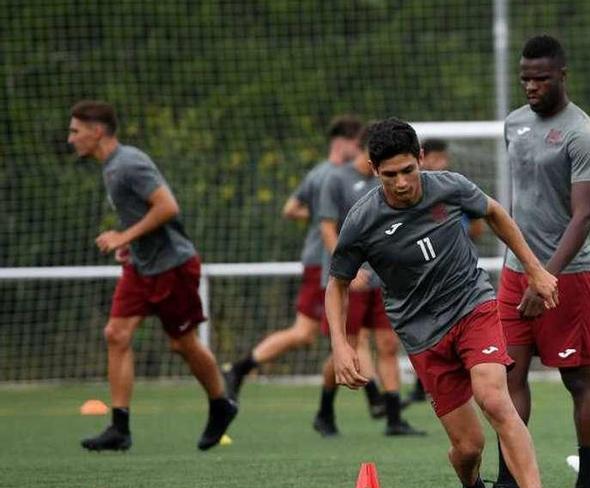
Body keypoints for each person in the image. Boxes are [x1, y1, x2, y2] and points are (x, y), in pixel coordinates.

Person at [328, 117, 558, 488]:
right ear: (373, 170)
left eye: (408, 170)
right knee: (469, 447)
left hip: (472, 304)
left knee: (495, 400)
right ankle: (473, 487)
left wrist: (534, 269)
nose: (401, 183)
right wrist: (340, 344)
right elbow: (337, 285)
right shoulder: (362, 221)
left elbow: (495, 213)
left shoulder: (450, 187)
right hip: (422, 334)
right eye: (389, 175)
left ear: (421, 158)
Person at [68, 100, 237, 451]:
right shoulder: (110, 167)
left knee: (183, 344)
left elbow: (167, 206)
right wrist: (130, 245)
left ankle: (221, 404)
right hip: (141, 267)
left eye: (75, 130)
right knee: (116, 333)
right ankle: (119, 427)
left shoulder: (129, 163)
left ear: (96, 131)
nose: (71, 138)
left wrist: (123, 236)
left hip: (173, 267)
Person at [491, 35, 590, 488]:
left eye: (541, 78)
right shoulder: (513, 124)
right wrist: (527, 270)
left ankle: (587, 486)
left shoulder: (581, 132)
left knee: (577, 380)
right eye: (525, 79)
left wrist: (546, 278)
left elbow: (584, 216)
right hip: (515, 273)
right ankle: (508, 482)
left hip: (567, 276)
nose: (531, 87)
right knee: (506, 376)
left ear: (562, 76)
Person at [223, 116, 386, 417]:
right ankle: (240, 368)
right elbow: (291, 210)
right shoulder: (330, 176)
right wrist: (324, 218)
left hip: (336, 260)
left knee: (348, 335)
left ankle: (366, 401)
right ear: (343, 143)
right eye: (357, 144)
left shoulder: (328, 174)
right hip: (322, 261)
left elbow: (293, 209)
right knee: (306, 333)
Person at [314, 127, 424, 437]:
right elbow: (327, 229)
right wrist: (349, 269)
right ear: (371, 157)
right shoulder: (336, 179)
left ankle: (393, 418)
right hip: (351, 280)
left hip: (381, 278)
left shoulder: (389, 184)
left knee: (388, 345)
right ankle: (324, 409)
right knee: (347, 347)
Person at [404, 138, 485, 405]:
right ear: (422, 159)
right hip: (422, 278)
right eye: (436, 159)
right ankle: (424, 384)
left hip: (458, 275)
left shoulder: (453, 189)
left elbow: (478, 226)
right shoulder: (407, 196)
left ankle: (458, 378)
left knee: (458, 327)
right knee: (429, 330)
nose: (441, 164)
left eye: (443, 159)